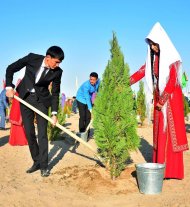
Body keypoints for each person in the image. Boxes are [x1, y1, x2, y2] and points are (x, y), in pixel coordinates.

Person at [130, 22, 188, 179]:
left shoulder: (173, 57)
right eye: (151, 45)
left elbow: (173, 80)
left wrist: (164, 99)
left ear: (161, 42)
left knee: (170, 133)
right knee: (159, 133)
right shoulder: (153, 58)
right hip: (159, 98)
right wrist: (127, 81)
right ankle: (159, 166)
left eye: (155, 44)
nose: (153, 48)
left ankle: (171, 171)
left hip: (171, 99)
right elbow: (143, 71)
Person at [6, 46, 64, 177]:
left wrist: (54, 113)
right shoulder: (32, 58)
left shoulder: (57, 72)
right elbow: (10, 68)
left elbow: (55, 93)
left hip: (42, 102)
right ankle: (36, 161)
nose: (58, 65)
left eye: (60, 63)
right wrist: (9, 87)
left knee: (42, 134)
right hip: (25, 98)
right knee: (29, 132)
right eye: (56, 62)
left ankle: (44, 166)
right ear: (48, 58)